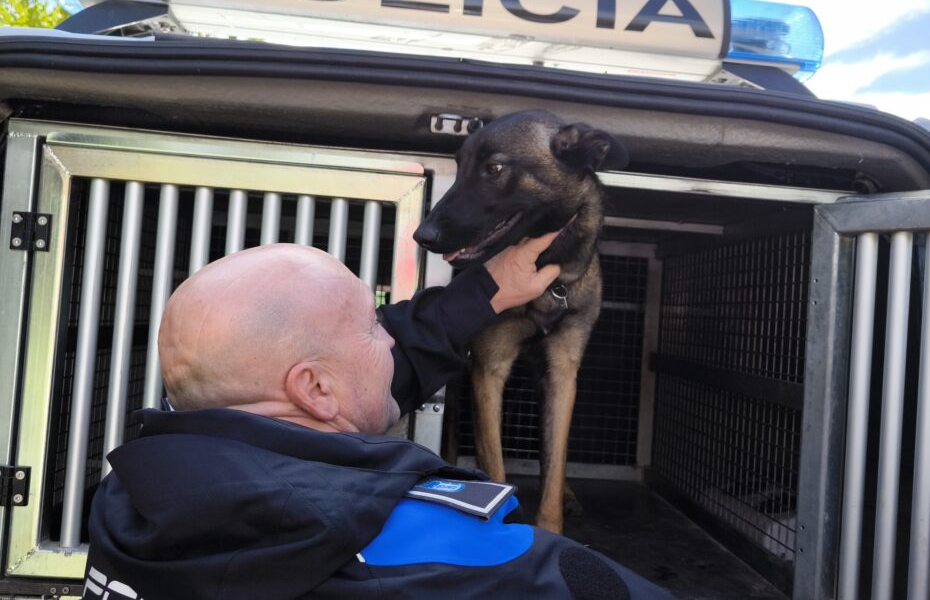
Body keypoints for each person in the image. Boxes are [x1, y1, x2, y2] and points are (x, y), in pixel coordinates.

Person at [82, 239, 674, 600]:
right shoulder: (448, 551)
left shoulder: (129, 498)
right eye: (373, 326)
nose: (389, 340)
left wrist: (487, 291)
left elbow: (335, 392)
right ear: (315, 389)